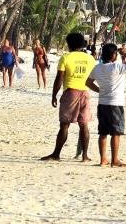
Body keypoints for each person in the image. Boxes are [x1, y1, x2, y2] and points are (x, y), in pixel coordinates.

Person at [41, 32, 98, 162]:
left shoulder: (66, 58)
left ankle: (56, 154)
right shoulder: (90, 58)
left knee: (65, 125)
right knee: (84, 125)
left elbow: (59, 79)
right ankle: (84, 156)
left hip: (71, 93)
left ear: (69, 44)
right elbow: (92, 77)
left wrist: (54, 95)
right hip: (85, 93)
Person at [86, 44, 126, 167]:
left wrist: (99, 90)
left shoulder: (97, 68)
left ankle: (103, 159)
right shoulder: (117, 67)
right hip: (115, 103)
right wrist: (125, 53)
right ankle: (114, 159)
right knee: (116, 132)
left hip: (102, 103)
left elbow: (88, 82)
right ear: (114, 55)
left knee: (103, 133)